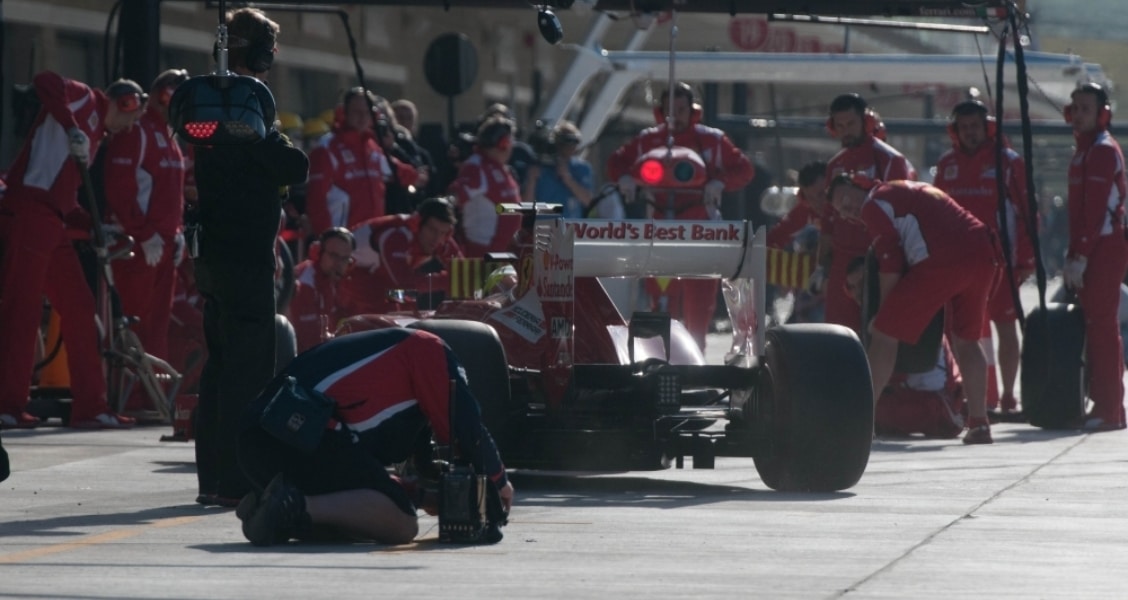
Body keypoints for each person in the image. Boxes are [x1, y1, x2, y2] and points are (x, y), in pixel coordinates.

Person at [234, 327, 514, 546]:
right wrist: (499, 482)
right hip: (298, 428)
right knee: (401, 523)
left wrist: (422, 495)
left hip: (259, 441)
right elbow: (466, 428)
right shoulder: (429, 349)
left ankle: (272, 513)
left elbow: (358, 474)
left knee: (360, 523)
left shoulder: (379, 365)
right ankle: (292, 504)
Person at [192, 7, 311, 506]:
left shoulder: (203, 99)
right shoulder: (248, 102)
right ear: (262, 53)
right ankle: (238, 480)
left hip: (213, 252)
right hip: (245, 256)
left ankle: (212, 479)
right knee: (248, 369)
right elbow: (292, 166)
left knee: (220, 367)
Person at [0, 72, 146, 429]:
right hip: (32, 211)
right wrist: (71, 127)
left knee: (80, 309)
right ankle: (8, 404)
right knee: (23, 309)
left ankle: (91, 405)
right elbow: (45, 80)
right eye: (132, 117)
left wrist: (96, 226)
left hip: (52, 220)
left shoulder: (95, 137)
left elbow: (65, 194)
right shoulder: (84, 99)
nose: (129, 127)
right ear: (124, 102)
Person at [829, 175, 998, 444]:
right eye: (843, 211)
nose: (850, 210)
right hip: (983, 251)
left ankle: (862, 421)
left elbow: (890, 261)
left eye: (846, 199)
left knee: (883, 335)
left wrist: (883, 313)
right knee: (967, 340)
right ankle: (979, 423)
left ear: (860, 184)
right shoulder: (908, 189)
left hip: (942, 260)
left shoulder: (874, 203)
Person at [605, 82, 755, 350]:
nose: (675, 116)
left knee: (699, 302)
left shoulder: (712, 140)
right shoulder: (648, 140)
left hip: (700, 234)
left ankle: (696, 354)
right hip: (660, 234)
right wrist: (626, 178)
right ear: (661, 111)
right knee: (662, 302)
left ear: (692, 109)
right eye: (670, 110)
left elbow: (744, 170)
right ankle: (661, 356)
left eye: (681, 109)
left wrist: (719, 182)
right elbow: (615, 163)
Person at [933, 99, 1033, 414]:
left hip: (1001, 262)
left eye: (975, 126)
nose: (970, 132)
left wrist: (1026, 259)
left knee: (1006, 326)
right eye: (964, 127)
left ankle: (1008, 396)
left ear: (987, 127)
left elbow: (1028, 213)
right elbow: (935, 215)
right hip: (957, 265)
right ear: (955, 130)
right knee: (961, 331)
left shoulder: (1008, 162)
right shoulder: (946, 165)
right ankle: (968, 395)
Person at [100, 69, 190, 382]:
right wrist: (144, 233)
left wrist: (177, 233)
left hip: (164, 245)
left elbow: (172, 193)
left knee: (157, 326)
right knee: (133, 324)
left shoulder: (170, 136)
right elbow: (119, 189)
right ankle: (127, 394)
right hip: (138, 246)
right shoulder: (135, 131)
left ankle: (153, 394)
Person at [1062, 82, 1128, 431]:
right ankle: (1107, 404)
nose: (1078, 114)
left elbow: (1097, 210)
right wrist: (1074, 252)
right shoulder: (1083, 151)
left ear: (1102, 114)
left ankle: (1109, 408)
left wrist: (1082, 255)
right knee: (1096, 324)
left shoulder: (1101, 150)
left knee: (1102, 326)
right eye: (1075, 108)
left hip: (1105, 246)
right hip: (1091, 247)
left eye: (1086, 108)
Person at [820, 93, 915, 335]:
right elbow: (828, 221)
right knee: (837, 333)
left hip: (875, 258)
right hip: (842, 261)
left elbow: (901, 215)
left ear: (867, 121)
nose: (846, 130)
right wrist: (822, 267)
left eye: (851, 123)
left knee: (877, 330)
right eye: (840, 125)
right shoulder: (834, 165)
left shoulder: (891, 159)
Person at [844, 257, 965, 438]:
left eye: (862, 283)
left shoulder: (902, 312)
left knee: (854, 406)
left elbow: (894, 371)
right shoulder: (874, 317)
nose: (858, 292)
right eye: (851, 287)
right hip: (914, 399)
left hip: (938, 405)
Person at [341, 196, 463, 315]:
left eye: (443, 232)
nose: (437, 238)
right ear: (418, 224)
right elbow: (404, 284)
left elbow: (464, 272)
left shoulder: (442, 239)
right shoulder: (396, 236)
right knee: (389, 308)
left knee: (403, 306)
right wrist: (445, 280)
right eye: (432, 230)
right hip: (349, 275)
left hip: (380, 276)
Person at [305, 87, 391, 235]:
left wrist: (416, 175)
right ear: (344, 113)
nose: (362, 117)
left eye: (367, 112)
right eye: (357, 112)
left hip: (373, 237)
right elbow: (316, 201)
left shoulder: (373, 147)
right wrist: (328, 238)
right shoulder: (327, 147)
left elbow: (395, 170)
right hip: (342, 239)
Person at [447, 116, 522, 257]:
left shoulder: (500, 167)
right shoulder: (477, 166)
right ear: (502, 144)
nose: (510, 149)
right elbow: (457, 194)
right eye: (508, 143)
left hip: (505, 251)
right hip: (483, 253)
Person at [766, 161, 827, 324]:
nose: (817, 203)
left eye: (822, 195)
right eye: (810, 197)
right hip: (811, 293)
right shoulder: (804, 210)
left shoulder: (851, 208)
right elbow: (773, 240)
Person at [289, 227, 354, 352]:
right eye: (334, 256)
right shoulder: (304, 285)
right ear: (318, 252)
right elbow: (309, 342)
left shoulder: (334, 280)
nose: (339, 264)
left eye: (345, 258)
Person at [522, 120, 594, 218]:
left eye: (574, 143)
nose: (570, 148)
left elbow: (588, 201)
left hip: (570, 224)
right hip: (544, 223)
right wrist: (531, 181)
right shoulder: (540, 167)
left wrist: (568, 179)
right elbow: (527, 208)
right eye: (566, 142)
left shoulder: (581, 168)